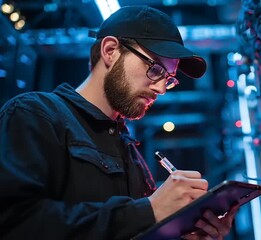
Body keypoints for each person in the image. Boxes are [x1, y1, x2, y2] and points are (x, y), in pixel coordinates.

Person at [0, 5, 239, 240]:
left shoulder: (130, 151)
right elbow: (16, 224)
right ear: (111, 50)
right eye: (155, 69)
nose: (160, 89)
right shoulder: (35, 114)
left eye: (168, 79)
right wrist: (149, 211)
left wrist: (179, 231)